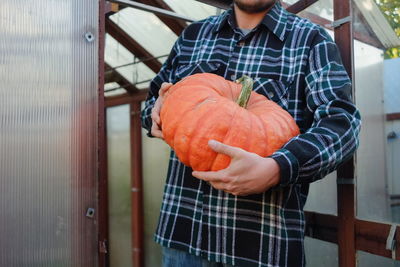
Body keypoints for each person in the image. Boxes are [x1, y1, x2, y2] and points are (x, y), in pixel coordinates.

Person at [141, 0, 361, 266]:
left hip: (261, 247)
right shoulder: (193, 36)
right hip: (182, 237)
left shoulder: (311, 40)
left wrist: (278, 168)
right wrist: (156, 113)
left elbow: (342, 124)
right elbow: (153, 100)